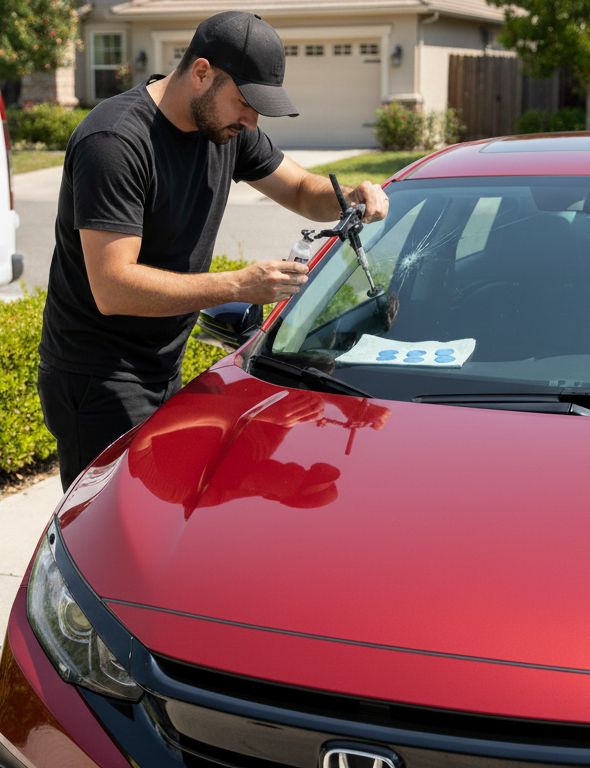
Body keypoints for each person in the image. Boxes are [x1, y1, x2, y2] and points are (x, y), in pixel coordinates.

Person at [38, 10, 389, 490]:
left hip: (162, 364)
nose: (251, 120)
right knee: (113, 533)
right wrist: (240, 285)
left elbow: (303, 191)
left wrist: (348, 197)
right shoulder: (115, 142)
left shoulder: (225, 130)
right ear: (201, 73)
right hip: (98, 380)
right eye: (245, 102)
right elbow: (112, 287)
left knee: (170, 512)